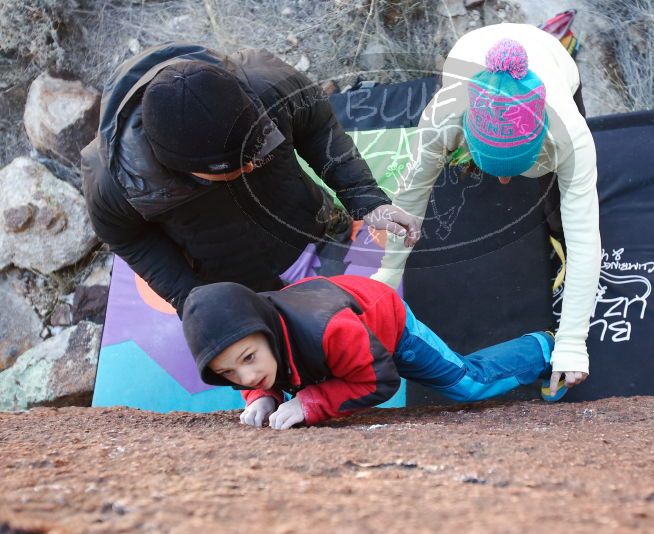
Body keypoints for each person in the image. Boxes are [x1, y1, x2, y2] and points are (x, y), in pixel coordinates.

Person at [81, 43, 419, 316]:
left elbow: (317, 128)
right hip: (233, 284)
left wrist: (367, 200)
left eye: (256, 152)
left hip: (318, 232)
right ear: (177, 166)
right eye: (232, 169)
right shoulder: (114, 178)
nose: (250, 167)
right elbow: (128, 239)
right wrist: (193, 301)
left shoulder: (268, 84)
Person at [371, 24, 601, 395]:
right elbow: (410, 199)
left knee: (564, 211)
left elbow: (586, 238)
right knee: (445, 176)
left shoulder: (571, 136)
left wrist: (573, 342)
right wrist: (388, 272)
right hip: (468, 71)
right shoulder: (442, 115)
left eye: (520, 170)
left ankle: (551, 228)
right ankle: (488, 160)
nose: (507, 183)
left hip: (553, 62)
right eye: (498, 171)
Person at [181, 275, 561, 429]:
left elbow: (380, 381)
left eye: (248, 360)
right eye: (229, 374)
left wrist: (311, 404)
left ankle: (545, 348)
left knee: (467, 384)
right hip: (339, 339)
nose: (245, 376)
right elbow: (253, 373)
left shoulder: (331, 331)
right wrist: (261, 395)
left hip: (386, 324)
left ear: (264, 331)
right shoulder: (254, 341)